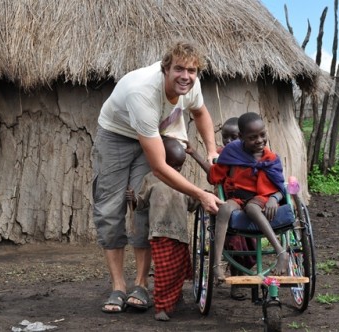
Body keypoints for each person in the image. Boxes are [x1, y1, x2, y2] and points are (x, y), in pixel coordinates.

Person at [92, 40, 222, 313]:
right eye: (179, 69)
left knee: (144, 204)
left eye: (191, 70)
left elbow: (200, 112)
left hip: (152, 133)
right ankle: (118, 287)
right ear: (165, 69)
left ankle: (140, 284)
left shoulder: (191, 85)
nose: (185, 76)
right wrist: (200, 193)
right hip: (116, 135)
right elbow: (161, 167)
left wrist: (211, 151)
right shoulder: (143, 92)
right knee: (110, 208)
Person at [207, 112, 289, 284]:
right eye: (253, 137)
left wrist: (274, 198)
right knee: (224, 209)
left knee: (252, 208)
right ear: (241, 137)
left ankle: (281, 252)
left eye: (262, 135)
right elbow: (215, 176)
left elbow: (281, 186)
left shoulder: (270, 159)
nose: (259, 140)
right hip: (237, 198)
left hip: (261, 198)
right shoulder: (232, 152)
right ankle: (216, 265)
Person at [126, 137, 197, 321]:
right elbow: (140, 204)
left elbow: (192, 203)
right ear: (161, 161)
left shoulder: (182, 182)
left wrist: (206, 197)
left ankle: (174, 298)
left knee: (178, 270)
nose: (177, 170)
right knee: (164, 272)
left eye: (180, 166)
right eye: (173, 165)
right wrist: (133, 199)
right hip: (160, 233)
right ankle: (162, 308)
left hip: (181, 235)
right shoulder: (151, 179)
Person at [187, 117, 256, 300]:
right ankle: (234, 279)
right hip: (228, 204)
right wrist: (194, 153)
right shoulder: (221, 156)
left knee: (250, 241)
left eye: (233, 137)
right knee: (235, 241)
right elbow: (213, 175)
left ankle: (241, 275)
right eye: (225, 137)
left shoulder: (253, 155)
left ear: (242, 137)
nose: (228, 142)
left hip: (251, 203)